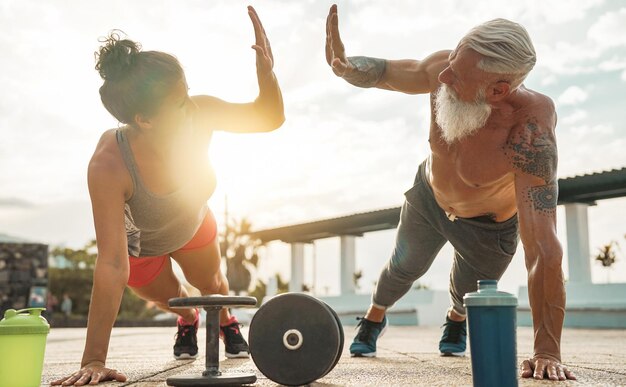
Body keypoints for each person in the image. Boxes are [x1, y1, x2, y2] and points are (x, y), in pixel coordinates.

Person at [325, 4, 575, 381]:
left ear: (498, 90)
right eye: (453, 57)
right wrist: (347, 67)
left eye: (457, 75)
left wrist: (546, 349)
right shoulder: (445, 68)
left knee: (465, 293)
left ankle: (455, 319)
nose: (443, 75)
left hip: (489, 226)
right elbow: (392, 72)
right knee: (401, 269)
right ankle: (374, 318)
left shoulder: (529, 126)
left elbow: (542, 245)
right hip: (430, 198)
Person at [52, 6, 284, 386]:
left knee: (212, 284)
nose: (190, 104)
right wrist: (94, 359)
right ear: (144, 119)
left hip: (192, 224)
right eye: (179, 102)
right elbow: (111, 263)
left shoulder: (200, 113)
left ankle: (225, 320)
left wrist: (267, 75)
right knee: (174, 298)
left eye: (187, 92)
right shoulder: (109, 163)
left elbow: (268, 117)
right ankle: (188, 320)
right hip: (141, 248)